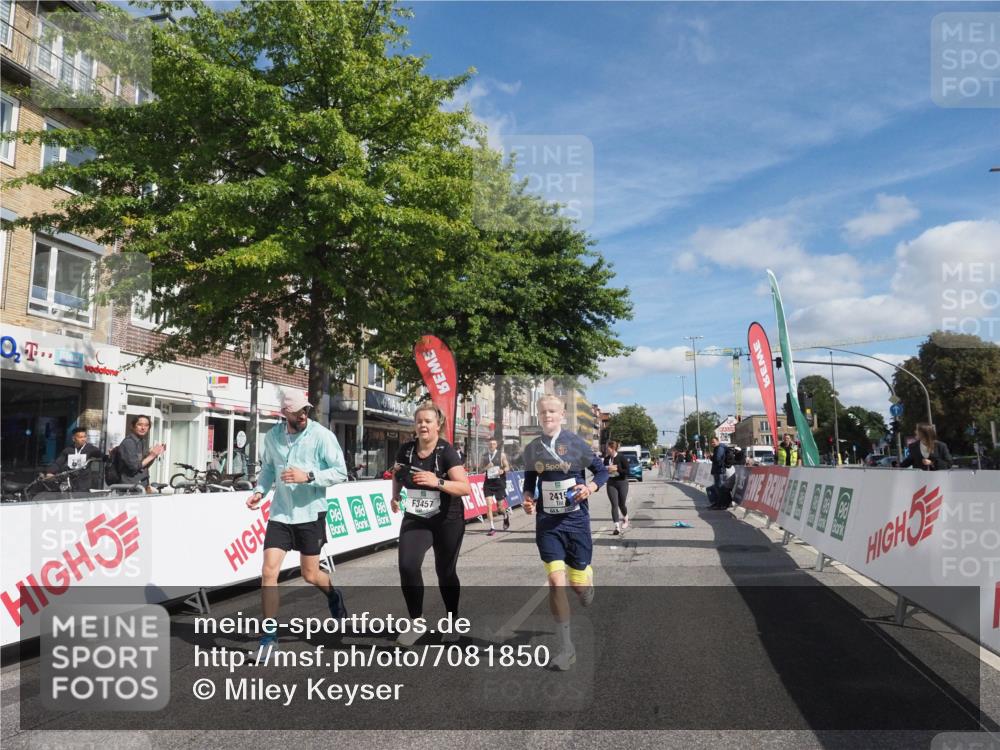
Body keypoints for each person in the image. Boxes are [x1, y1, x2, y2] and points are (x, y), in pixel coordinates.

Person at [246, 390, 348, 657]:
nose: (303, 415)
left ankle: (333, 595)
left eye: (306, 410)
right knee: (268, 572)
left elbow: (340, 472)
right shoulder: (272, 437)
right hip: (280, 514)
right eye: (297, 411)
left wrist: (309, 476)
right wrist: (260, 491)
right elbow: (268, 468)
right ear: (285, 413)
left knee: (309, 574)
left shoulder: (322, 436)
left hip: (311, 514)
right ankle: (269, 639)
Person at [521, 395, 608, 671]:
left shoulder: (576, 444)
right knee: (556, 582)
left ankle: (586, 581)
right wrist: (527, 498)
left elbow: (602, 472)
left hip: (575, 523)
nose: (547, 415)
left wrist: (590, 488)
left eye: (552, 411)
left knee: (577, 585)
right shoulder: (533, 448)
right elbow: (530, 481)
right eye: (543, 412)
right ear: (539, 415)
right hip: (548, 524)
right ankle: (566, 649)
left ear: (562, 414)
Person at [391, 402, 472, 647]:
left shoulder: (446, 452)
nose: (423, 425)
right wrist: (394, 496)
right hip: (416, 517)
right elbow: (397, 473)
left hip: (448, 519)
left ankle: (452, 619)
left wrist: (437, 482)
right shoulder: (405, 450)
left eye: (428, 421)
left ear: (438, 425)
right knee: (407, 565)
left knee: (445, 572)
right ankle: (416, 621)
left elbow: (465, 488)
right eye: (419, 421)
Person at [116, 415, 166, 492]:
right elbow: (134, 467)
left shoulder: (142, 441)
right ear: (132, 426)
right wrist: (151, 455)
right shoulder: (129, 442)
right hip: (130, 488)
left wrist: (154, 454)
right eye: (139, 425)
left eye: (146, 425)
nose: (143, 428)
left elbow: (144, 466)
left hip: (142, 485)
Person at [47, 427, 103, 491]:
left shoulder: (91, 449)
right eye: (80, 437)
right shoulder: (68, 450)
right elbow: (58, 463)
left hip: (84, 482)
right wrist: (50, 472)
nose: (83, 439)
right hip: (70, 481)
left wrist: (109, 455)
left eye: (84, 437)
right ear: (74, 439)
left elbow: (101, 456)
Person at [480, 438, 511, 536]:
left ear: (496, 445)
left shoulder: (501, 455)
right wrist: (486, 467)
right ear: (488, 445)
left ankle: (505, 515)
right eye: (490, 444)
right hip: (488, 483)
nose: (492, 445)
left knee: (500, 507)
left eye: (493, 444)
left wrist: (503, 470)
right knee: (489, 506)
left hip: (499, 483)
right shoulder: (484, 456)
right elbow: (480, 470)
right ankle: (492, 528)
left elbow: (507, 467)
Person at [603, 440, 630, 535]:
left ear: (612, 448)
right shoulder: (606, 459)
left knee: (621, 504)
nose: (606, 450)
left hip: (622, 482)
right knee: (614, 504)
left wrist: (618, 468)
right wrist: (606, 470)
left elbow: (627, 471)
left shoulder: (621, 457)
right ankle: (617, 527)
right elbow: (603, 471)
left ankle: (626, 519)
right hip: (611, 483)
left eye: (607, 448)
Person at [706, 437, 728, 510]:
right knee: (716, 488)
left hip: (720, 471)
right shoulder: (718, 448)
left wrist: (712, 456)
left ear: (718, 441)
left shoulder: (720, 448)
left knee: (720, 488)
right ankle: (717, 503)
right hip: (717, 470)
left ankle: (721, 504)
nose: (712, 443)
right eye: (711, 442)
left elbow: (717, 459)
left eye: (714, 442)